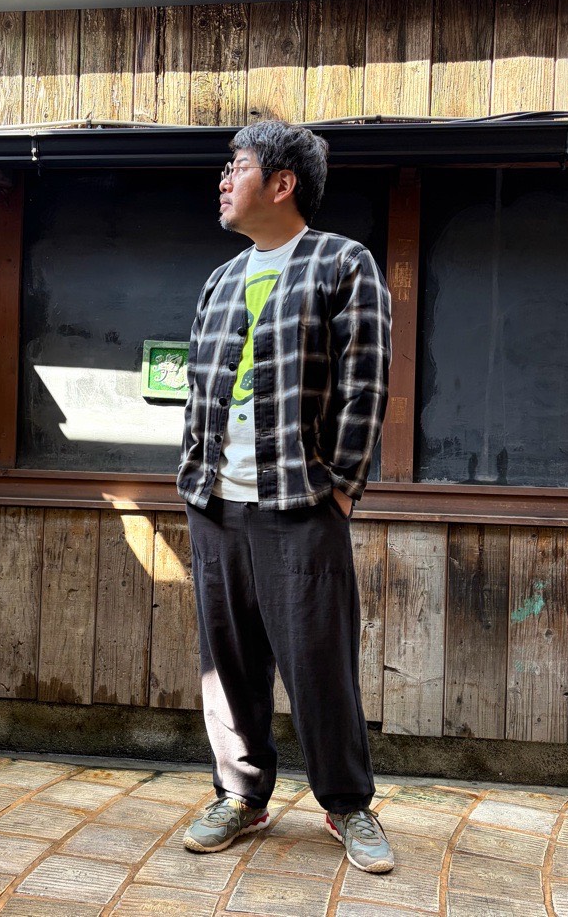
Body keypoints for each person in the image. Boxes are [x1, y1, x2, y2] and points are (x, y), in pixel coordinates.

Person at [176, 120, 393, 873]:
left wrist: (341, 490)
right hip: (217, 504)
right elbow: (197, 391)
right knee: (227, 662)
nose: (223, 181)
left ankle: (348, 803)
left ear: (282, 182)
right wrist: (195, 478)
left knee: (319, 660)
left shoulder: (342, 263)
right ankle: (241, 794)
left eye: (236, 166)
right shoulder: (220, 279)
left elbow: (366, 385)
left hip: (300, 504)